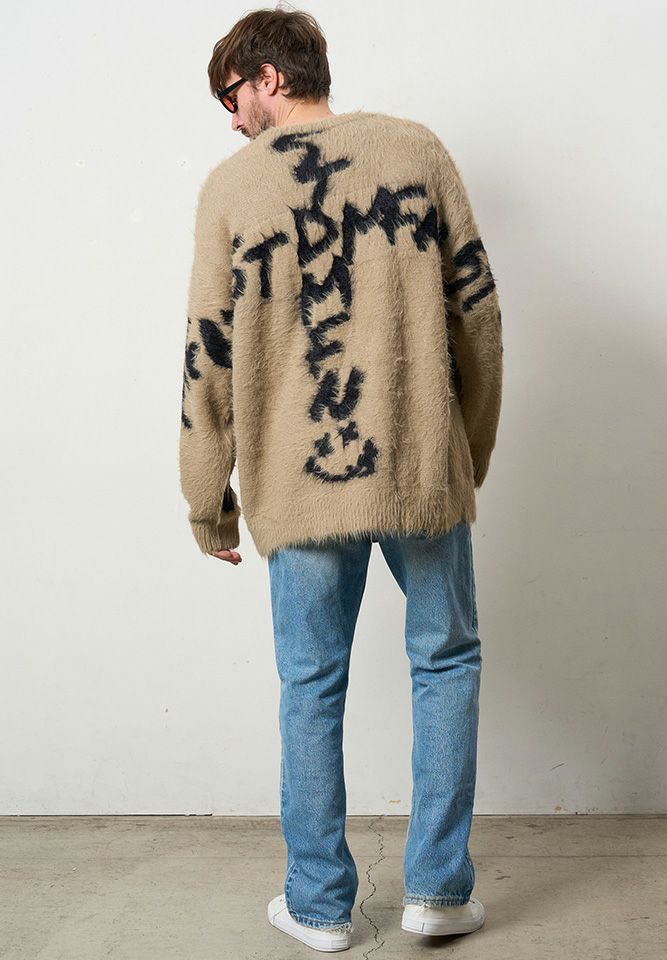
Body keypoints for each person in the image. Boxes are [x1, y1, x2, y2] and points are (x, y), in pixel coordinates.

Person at [179, 7, 503, 953]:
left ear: (268, 78)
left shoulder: (232, 190)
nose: (232, 119)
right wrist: (463, 454)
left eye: (232, 95)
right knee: (445, 663)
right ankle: (437, 894)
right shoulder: (417, 151)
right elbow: (480, 316)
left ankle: (320, 906)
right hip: (419, 466)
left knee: (310, 683)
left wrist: (207, 496)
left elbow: (207, 354)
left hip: (300, 478)